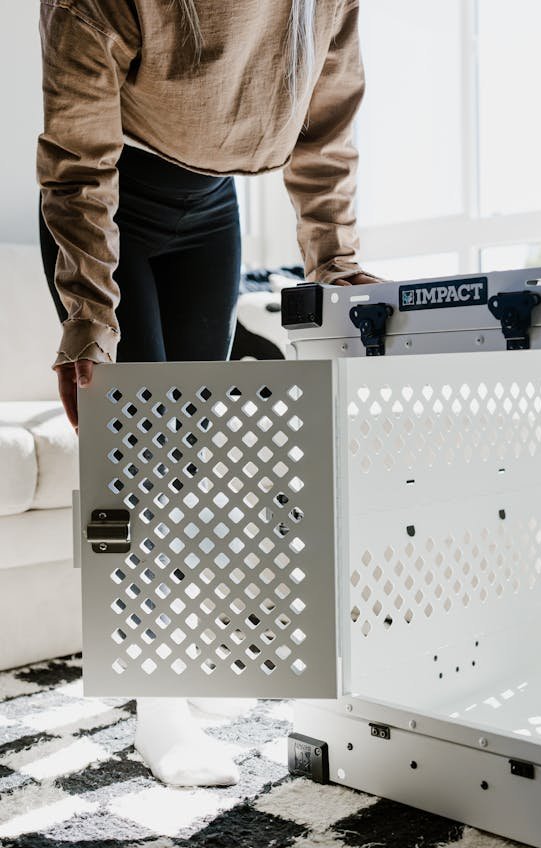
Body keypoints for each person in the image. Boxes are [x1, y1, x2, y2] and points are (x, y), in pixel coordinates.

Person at [37, 0, 380, 786]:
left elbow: (327, 116)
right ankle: (157, 707)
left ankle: (172, 665)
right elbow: (76, 158)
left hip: (210, 207)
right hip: (108, 198)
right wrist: (88, 313)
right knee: (138, 460)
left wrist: (337, 261)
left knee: (181, 461)